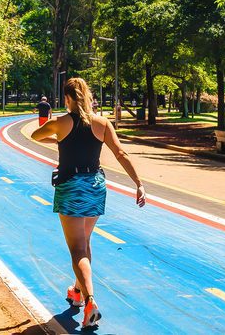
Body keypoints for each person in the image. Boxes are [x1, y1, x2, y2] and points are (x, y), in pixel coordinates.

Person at [31, 77, 146, 330]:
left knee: (77, 250)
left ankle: (90, 301)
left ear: (68, 98)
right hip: (95, 186)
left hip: (71, 186)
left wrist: (58, 138)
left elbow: (36, 135)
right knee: (84, 244)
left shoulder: (61, 123)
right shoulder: (102, 123)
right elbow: (121, 153)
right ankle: (75, 291)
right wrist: (138, 183)